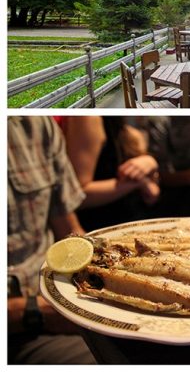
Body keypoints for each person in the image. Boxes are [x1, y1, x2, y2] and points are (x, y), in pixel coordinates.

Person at [7, 116, 96, 364]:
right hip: (23, 327)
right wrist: (36, 311)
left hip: (56, 297)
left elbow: (70, 230)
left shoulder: (36, 124)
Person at [57, 116, 160, 231]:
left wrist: (150, 163)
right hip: (102, 228)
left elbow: (152, 195)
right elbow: (76, 194)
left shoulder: (127, 131)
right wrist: (139, 181)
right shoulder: (88, 119)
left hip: (132, 225)